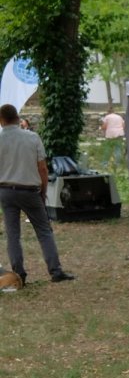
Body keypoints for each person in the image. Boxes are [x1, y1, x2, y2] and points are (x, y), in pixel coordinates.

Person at [0, 104, 74, 287]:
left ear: (1, 121)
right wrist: (43, 190)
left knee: (13, 234)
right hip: (29, 190)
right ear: (17, 118)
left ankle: (19, 274)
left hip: (6, 190)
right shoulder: (32, 138)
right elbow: (42, 167)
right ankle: (55, 270)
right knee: (43, 231)